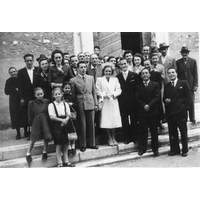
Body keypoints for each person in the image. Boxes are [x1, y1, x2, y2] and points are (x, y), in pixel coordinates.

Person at [163, 67, 192, 157]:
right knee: (172, 132)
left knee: (183, 131)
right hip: (171, 112)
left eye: (173, 72)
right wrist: (166, 100)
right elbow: (164, 98)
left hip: (181, 112)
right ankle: (174, 150)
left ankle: (185, 150)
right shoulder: (167, 86)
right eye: (169, 73)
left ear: (176, 73)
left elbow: (189, 97)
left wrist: (185, 108)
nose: (171, 74)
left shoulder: (183, 83)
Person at [70, 61, 98, 152]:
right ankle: (83, 144)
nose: (83, 69)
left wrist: (96, 103)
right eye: (81, 67)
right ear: (77, 69)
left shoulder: (91, 78)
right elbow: (73, 94)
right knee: (82, 125)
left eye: (84, 67)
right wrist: (75, 104)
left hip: (90, 102)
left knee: (91, 124)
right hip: (80, 103)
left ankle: (92, 143)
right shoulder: (73, 80)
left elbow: (94, 91)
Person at [135, 68, 160, 157]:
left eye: (146, 73)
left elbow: (157, 97)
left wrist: (149, 105)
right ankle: (142, 148)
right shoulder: (138, 86)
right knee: (143, 131)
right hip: (143, 112)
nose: (145, 75)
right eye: (143, 73)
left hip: (152, 112)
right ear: (141, 76)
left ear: (149, 75)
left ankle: (155, 149)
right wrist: (144, 105)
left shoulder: (155, 84)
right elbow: (137, 99)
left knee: (154, 131)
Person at [96, 62, 122, 146]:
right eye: (106, 71)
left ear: (112, 72)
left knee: (113, 119)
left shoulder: (115, 79)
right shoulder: (99, 79)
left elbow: (119, 90)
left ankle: (114, 137)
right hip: (105, 102)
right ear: (103, 71)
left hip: (113, 101)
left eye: (109, 71)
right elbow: (97, 90)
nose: (108, 73)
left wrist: (113, 94)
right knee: (106, 120)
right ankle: (109, 138)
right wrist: (104, 95)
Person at [48, 87, 75, 167]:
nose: (57, 96)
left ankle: (66, 160)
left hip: (66, 123)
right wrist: (61, 120)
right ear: (53, 96)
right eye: (55, 94)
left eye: (59, 94)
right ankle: (60, 162)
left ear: (62, 94)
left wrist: (65, 120)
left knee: (66, 143)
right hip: (57, 124)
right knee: (58, 144)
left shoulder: (65, 104)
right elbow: (51, 116)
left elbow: (69, 114)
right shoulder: (51, 105)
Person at [26, 87, 52, 163]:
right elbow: (30, 114)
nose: (40, 96)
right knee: (33, 138)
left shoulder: (46, 101)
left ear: (43, 94)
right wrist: (30, 124)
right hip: (36, 121)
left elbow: (48, 112)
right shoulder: (31, 103)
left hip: (45, 121)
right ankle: (28, 153)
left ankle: (45, 152)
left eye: (41, 94)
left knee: (45, 137)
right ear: (35, 95)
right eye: (38, 94)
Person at [116, 58, 139, 144]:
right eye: (121, 64)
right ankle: (127, 137)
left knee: (134, 119)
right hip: (123, 102)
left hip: (133, 101)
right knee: (124, 120)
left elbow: (137, 89)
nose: (124, 66)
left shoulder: (134, 75)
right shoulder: (117, 77)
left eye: (125, 64)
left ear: (128, 64)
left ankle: (135, 137)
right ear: (119, 66)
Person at [17, 53, 39, 140]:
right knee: (28, 115)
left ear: (33, 61)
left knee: (37, 113)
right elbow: (20, 86)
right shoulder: (21, 72)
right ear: (25, 61)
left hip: (37, 96)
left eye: (30, 60)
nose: (29, 62)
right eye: (27, 61)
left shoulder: (37, 70)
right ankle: (28, 132)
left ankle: (37, 131)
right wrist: (22, 98)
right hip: (27, 97)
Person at [176, 46, 198, 123]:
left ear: (188, 53)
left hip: (191, 85)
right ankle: (184, 117)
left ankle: (192, 117)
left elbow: (195, 74)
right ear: (181, 53)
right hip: (182, 85)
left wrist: (195, 85)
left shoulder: (193, 61)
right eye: (183, 53)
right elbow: (177, 74)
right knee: (183, 101)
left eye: (186, 52)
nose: (184, 54)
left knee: (191, 101)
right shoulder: (178, 62)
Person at [4, 67, 27, 140]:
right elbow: (6, 92)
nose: (13, 73)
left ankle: (26, 132)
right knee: (15, 117)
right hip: (14, 101)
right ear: (9, 74)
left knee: (24, 115)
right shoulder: (8, 81)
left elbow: (25, 88)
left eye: (14, 71)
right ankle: (18, 133)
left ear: (17, 71)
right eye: (11, 72)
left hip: (22, 99)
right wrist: (14, 89)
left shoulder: (21, 79)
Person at [62, 81, 77, 157]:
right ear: (63, 89)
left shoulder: (73, 96)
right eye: (65, 88)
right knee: (67, 132)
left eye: (68, 88)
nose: (67, 89)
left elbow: (77, 104)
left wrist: (72, 104)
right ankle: (69, 147)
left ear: (71, 89)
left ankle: (73, 146)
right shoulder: (62, 97)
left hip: (72, 117)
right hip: (65, 117)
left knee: (72, 131)